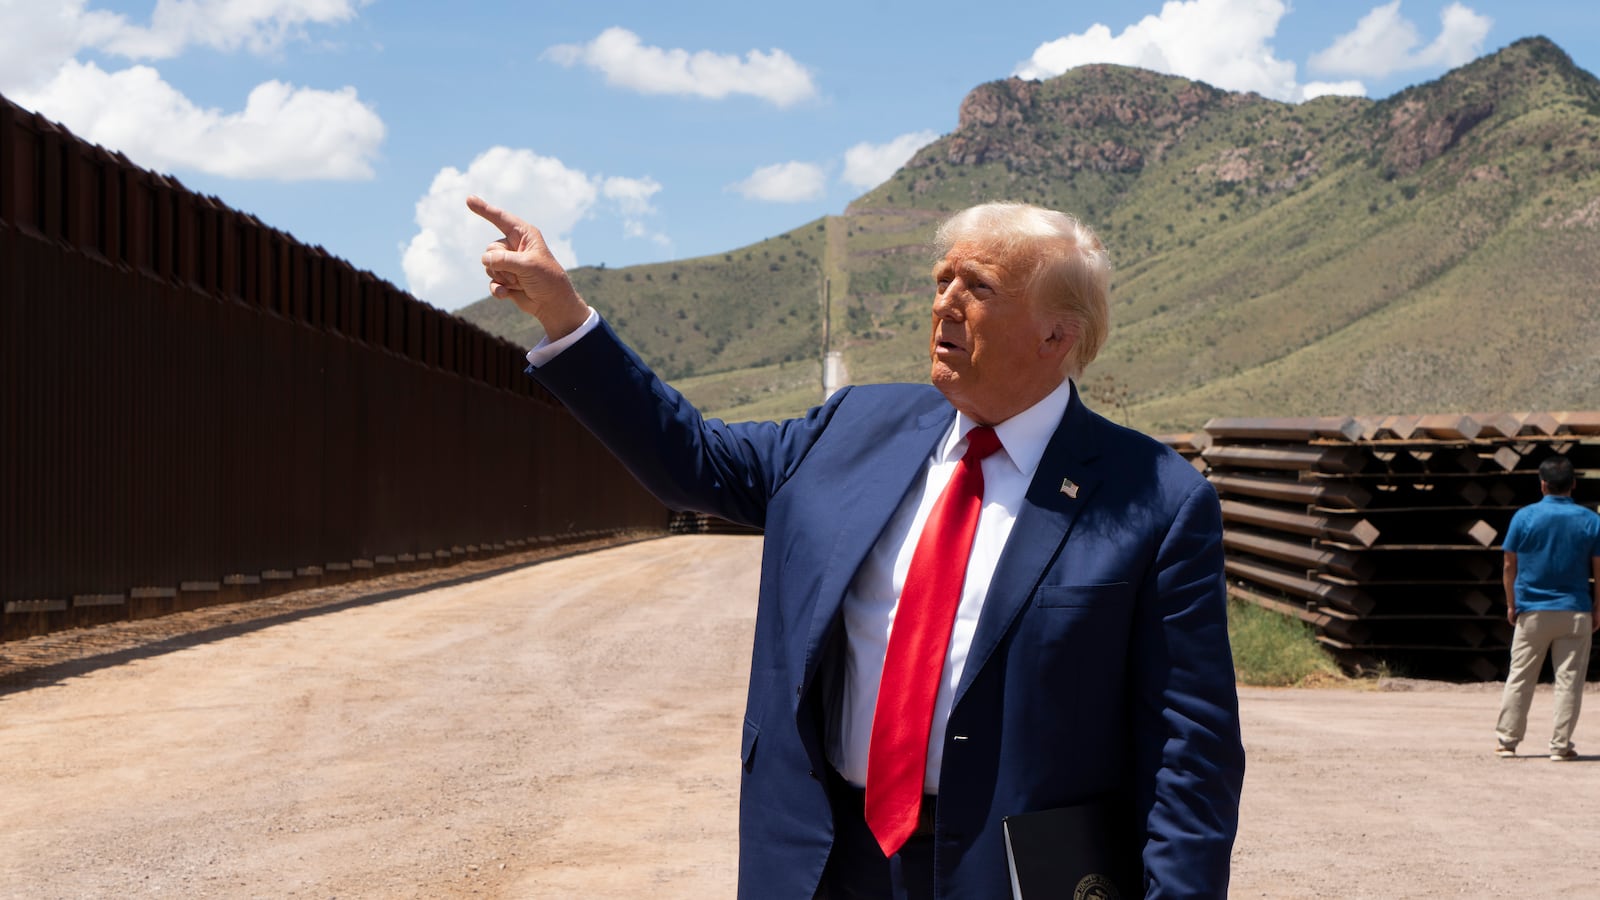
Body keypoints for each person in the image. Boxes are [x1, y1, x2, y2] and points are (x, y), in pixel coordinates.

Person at [467, 195, 1244, 899]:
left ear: (1056, 332)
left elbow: (1191, 753)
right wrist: (567, 318)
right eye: (941, 280)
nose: (944, 302)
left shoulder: (1155, 499)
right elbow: (691, 460)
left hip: (1013, 875)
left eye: (977, 287)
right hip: (827, 862)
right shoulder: (851, 430)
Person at [1495, 456, 1600, 761]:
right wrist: (1597, 607)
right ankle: (1560, 746)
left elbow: (1508, 564)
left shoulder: (1523, 518)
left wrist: (1512, 603)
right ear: (1574, 484)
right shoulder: (1591, 521)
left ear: (1542, 484)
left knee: (1521, 677)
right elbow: (1598, 569)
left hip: (1533, 610)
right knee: (1569, 681)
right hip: (1575, 611)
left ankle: (1507, 740)